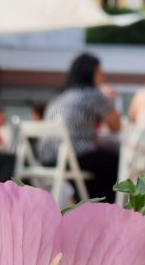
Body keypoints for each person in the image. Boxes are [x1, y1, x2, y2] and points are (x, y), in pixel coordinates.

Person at [38, 53, 122, 202]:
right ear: (90, 73)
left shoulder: (60, 95)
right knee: (117, 164)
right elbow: (116, 126)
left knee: (100, 166)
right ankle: (106, 212)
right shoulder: (93, 94)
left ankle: (86, 205)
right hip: (72, 156)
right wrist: (110, 100)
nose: (103, 76)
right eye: (100, 72)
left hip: (47, 157)